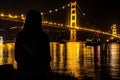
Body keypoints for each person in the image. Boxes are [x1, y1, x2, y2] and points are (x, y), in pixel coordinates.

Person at [15, 9, 51, 74]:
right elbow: (47, 58)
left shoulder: (20, 36)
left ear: (27, 20)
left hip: (24, 71)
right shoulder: (44, 36)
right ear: (39, 21)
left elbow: (17, 57)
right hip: (41, 72)